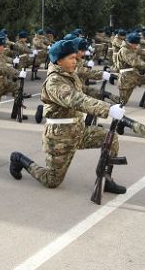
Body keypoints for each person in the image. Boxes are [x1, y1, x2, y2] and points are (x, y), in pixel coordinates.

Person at [8, 40, 127, 193]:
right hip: (59, 137)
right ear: (59, 60)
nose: (75, 60)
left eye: (75, 57)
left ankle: (105, 178)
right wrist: (107, 109)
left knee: (111, 140)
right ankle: (19, 159)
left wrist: (105, 94)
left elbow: (82, 91)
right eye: (71, 58)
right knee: (52, 181)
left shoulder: (69, 74)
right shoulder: (54, 81)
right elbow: (75, 99)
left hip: (78, 130)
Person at [114, 33, 145, 106]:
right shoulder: (125, 50)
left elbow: (140, 51)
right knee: (122, 102)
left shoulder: (130, 48)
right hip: (126, 78)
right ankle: (106, 95)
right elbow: (135, 62)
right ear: (131, 43)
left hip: (134, 75)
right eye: (136, 44)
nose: (137, 46)